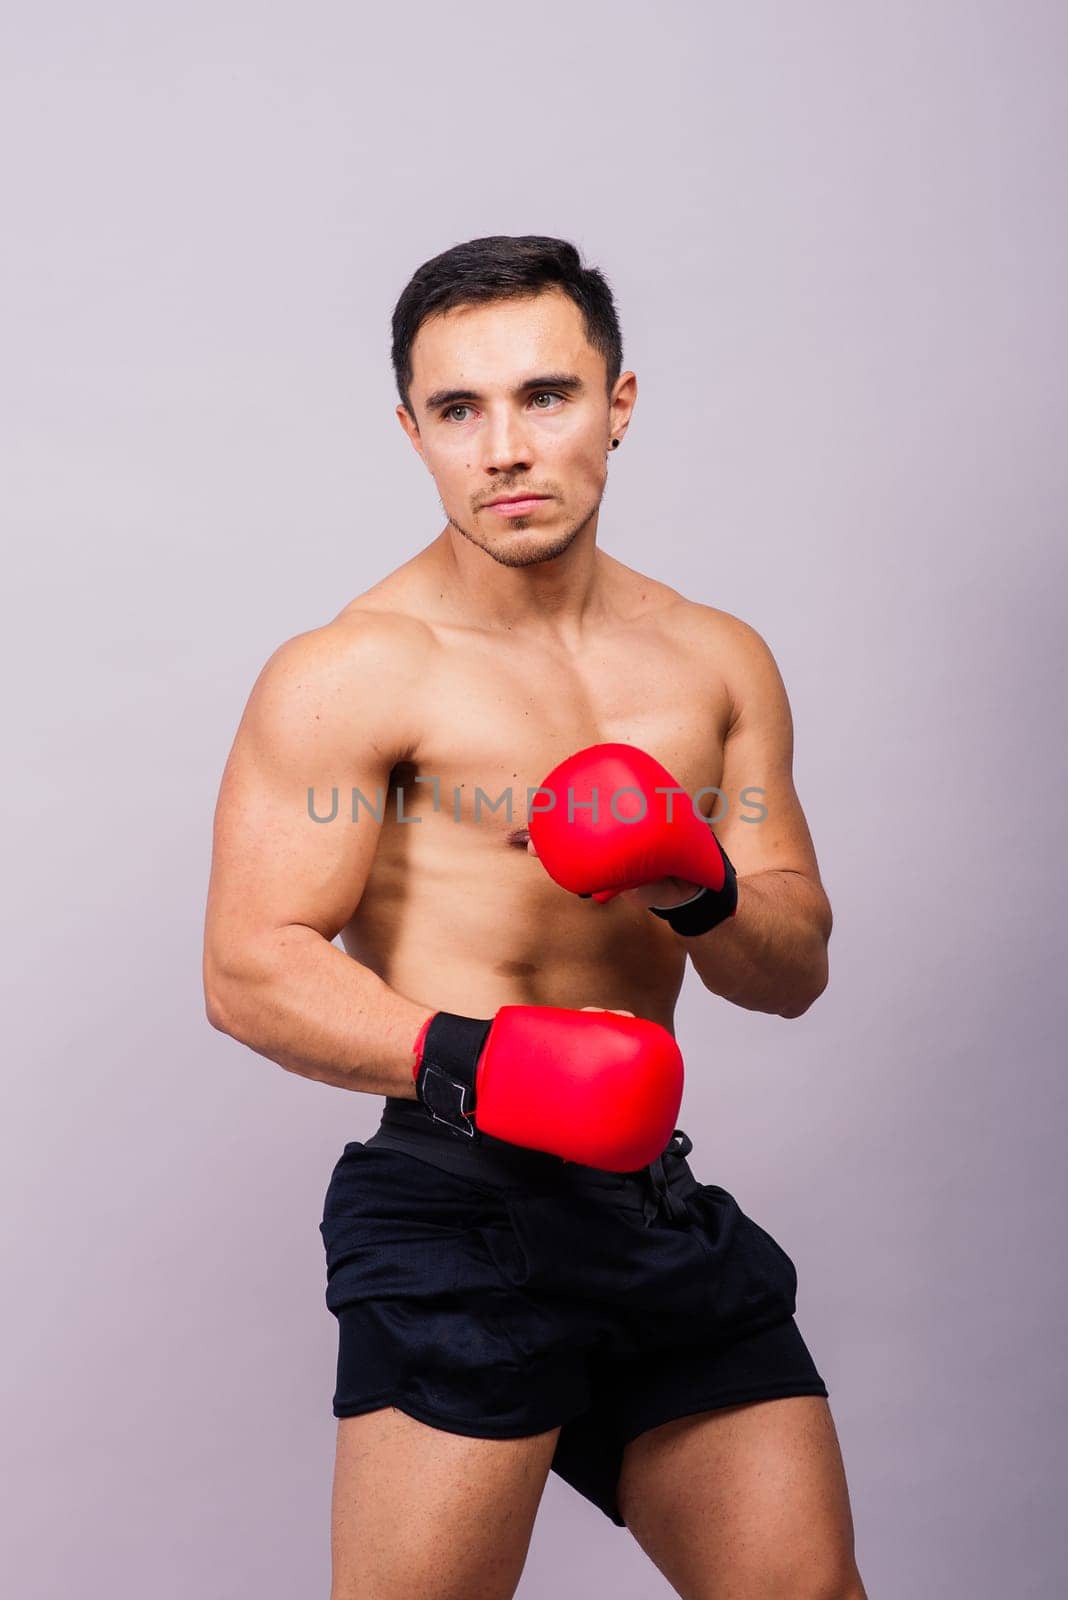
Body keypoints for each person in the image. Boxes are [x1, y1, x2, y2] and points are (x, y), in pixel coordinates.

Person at [202, 234, 867, 1600]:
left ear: (619, 403)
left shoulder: (714, 659)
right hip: (457, 1207)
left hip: (651, 1210)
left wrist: (697, 877)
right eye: (459, 410)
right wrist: (486, 1062)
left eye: (545, 396)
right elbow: (249, 969)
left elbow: (791, 965)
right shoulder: (352, 671)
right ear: (413, 432)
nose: (504, 447)